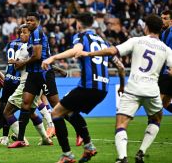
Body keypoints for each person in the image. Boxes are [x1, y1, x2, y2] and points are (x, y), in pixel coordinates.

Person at [77, 14, 172, 163]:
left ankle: (122, 158)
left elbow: (111, 51)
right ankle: (141, 151)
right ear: (160, 29)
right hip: (152, 90)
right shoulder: (166, 49)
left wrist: (89, 53)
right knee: (156, 119)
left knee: (121, 124)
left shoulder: (137, 41)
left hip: (133, 88)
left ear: (146, 27)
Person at [42, 12, 125, 163]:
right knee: (71, 113)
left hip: (88, 87)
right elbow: (120, 67)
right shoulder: (104, 42)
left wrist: (53, 57)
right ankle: (88, 147)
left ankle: (67, 154)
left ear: (79, 24)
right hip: (103, 89)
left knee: (56, 113)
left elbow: (76, 50)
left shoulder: (81, 36)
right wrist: (122, 86)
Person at [8, 12, 60, 148]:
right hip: (32, 74)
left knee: (57, 106)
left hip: (43, 74)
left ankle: (80, 132)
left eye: (32, 20)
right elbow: (40, 56)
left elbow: (37, 56)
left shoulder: (37, 32)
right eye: (27, 20)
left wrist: (21, 63)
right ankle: (20, 139)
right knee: (26, 106)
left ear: (37, 21)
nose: (29, 22)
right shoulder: (30, 38)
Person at [159, 10, 172, 113]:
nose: (162, 20)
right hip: (167, 71)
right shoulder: (164, 33)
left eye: (165, 18)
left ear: (171, 21)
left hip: (167, 72)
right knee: (165, 103)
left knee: (157, 102)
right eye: (161, 18)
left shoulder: (167, 33)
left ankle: (152, 125)